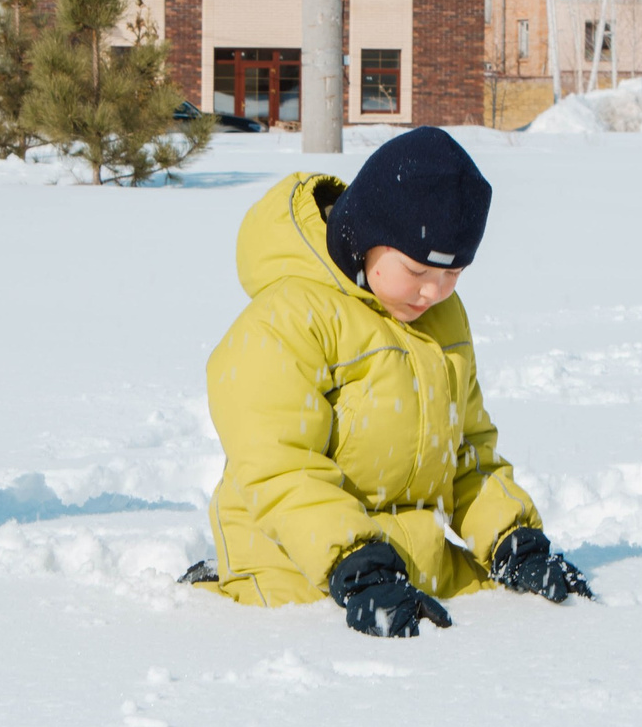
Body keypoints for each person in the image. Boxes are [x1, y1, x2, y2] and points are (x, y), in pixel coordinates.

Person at [186, 126, 592, 635]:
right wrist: (355, 566)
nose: (432, 293)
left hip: (410, 580)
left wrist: (512, 541)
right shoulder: (286, 322)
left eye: (453, 275)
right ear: (366, 236)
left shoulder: (442, 320)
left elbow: (466, 454)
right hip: (295, 586)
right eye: (416, 270)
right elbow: (279, 468)